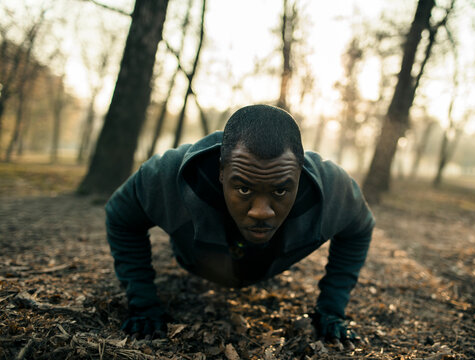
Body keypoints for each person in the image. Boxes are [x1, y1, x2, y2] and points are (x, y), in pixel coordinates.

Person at [105, 104, 375, 345]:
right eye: (244, 188)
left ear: (300, 173)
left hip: (266, 264)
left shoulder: (334, 189)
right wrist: (142, 303)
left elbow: (360, 228)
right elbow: (120, 215)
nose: (261, 212)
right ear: (221, 171)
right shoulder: (168, 175)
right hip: (196, 259)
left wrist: (331, 309)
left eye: (280, 191)